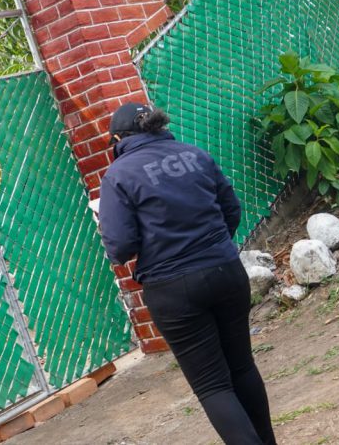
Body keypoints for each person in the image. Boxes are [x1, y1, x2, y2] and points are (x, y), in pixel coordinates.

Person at [98, 103, 276, 445]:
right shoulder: (195, 154)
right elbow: (231, 209)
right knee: (242, 367)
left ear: (119, 139)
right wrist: (213, 247)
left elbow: (120, 246)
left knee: (213, 385)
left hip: (173, 288)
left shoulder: (118, 175)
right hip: (225, 270)